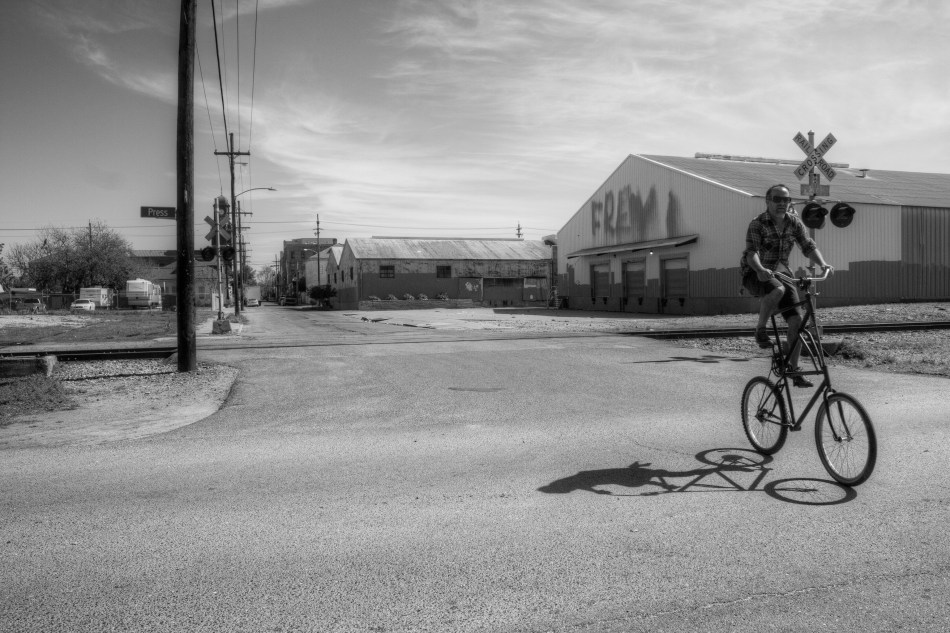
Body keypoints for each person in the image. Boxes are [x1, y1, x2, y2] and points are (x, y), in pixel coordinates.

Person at [741, 184, 833, 388]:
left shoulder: (794, 223)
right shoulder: (758, 224)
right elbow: (751, 252)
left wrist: (823, 263)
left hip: (782, 274)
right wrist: (759, 270)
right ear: (767, 201)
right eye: (777, 199)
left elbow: (808, 246)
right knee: (777, 289)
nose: (782, 203)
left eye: (786, 200)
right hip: (755, 272)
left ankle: (793, 369)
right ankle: (760, 330)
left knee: (797, 321)